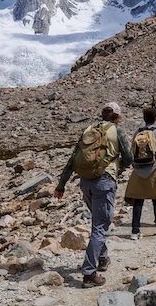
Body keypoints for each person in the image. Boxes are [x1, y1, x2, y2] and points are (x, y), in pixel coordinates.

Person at [54, 102, 133, 288]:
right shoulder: (117, 130)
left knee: (97, 222)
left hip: (85, 182)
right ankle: (89, 273)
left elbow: (73, 159)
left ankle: (103, 258)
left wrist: (61, 185)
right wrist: (118, 168)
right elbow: (129, 158)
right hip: (104, 182)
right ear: (117, 117)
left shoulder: (89, 129)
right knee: (100, 226)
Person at [124, 107, 156, 240]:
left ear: (144, 118)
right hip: (154, 169)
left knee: (138, 200)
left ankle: (134, 231)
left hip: (138, 170)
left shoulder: (137, 132)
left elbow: (132, 151)